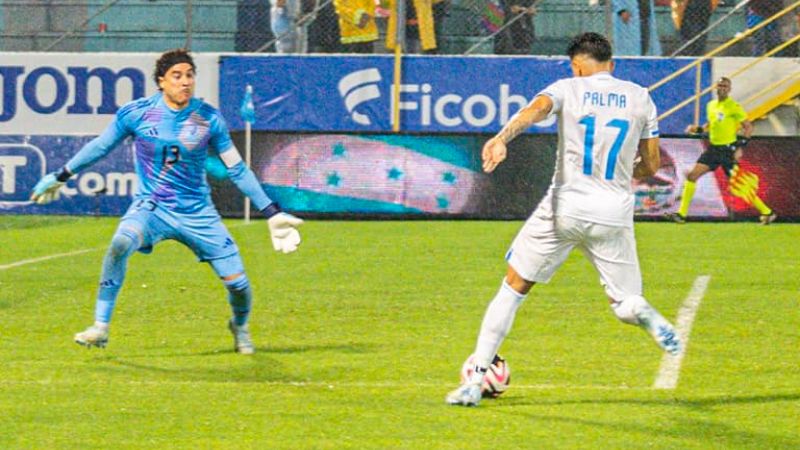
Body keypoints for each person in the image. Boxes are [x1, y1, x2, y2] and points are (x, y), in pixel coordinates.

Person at [446, 32, 681, 407]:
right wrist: (626, 166)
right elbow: (652, 165)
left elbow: (535, 110)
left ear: (576, 64)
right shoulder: (640, 97)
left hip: (565, 207)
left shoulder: (568, 88)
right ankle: (640, 311)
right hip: (613, 211)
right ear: (611, 64)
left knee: (512, 288)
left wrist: (502, 138)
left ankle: (474, 381)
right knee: (624, 303)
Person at [29, 49, 304, 354]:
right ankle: (100, 327)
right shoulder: (137, 113)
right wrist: (61, 174)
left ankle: (239, 326)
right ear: (161, 81)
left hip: (198, 212)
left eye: (189, 75)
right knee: (120, 243)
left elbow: (236, 168)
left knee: (238, 284)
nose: (185, 82)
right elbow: (100, 146)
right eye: (177, 76)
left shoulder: (206, 118)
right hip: (152, 207)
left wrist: (271, 211)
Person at [667, 77, 777, 224]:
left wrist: (740, 148)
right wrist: (698, 129)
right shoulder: (711, 105)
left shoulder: (733, 106)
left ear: (729, 89)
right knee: (692, 176)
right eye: (720, 86)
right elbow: (712, 125)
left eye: (725, 86)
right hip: (713, 149)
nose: (722, 88)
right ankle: (681, 214)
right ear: (715, 88)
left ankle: (767, 212)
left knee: (739, 186)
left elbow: (748, 127)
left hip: (727, 151)